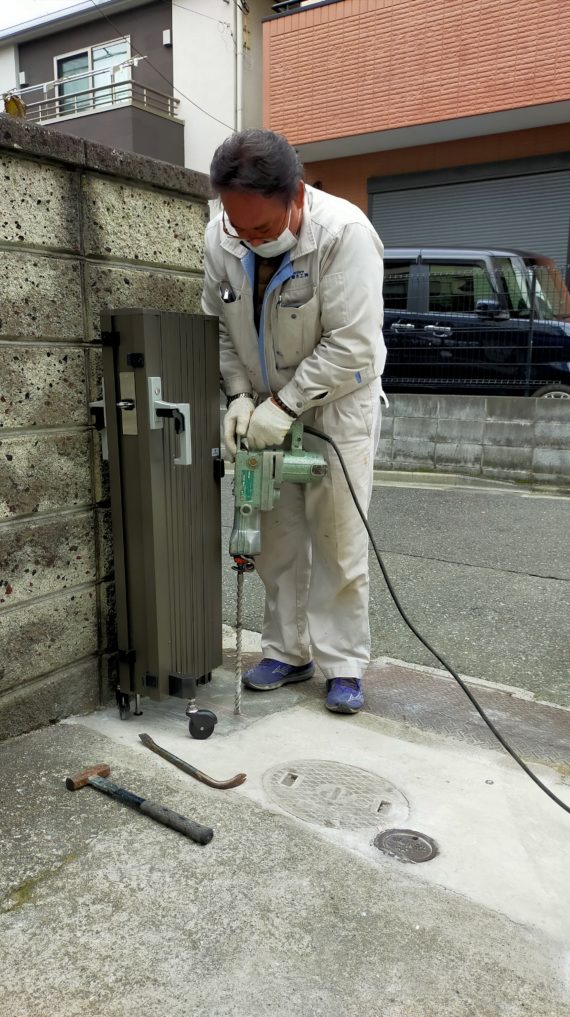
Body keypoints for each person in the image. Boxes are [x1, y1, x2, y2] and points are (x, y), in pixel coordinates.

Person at [201, 128, 386, 714]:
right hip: (261, 409)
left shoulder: (344, 234)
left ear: (296, 196)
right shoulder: (222, 238)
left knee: (337, 539)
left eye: (262, 229)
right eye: (239, 227)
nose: (250, 239)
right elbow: (221, 331)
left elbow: (353, 346)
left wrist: (283, 407)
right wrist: (237, 397)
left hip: (335, 406)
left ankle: (343, 663)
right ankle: (287, 650)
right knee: (274, 540)